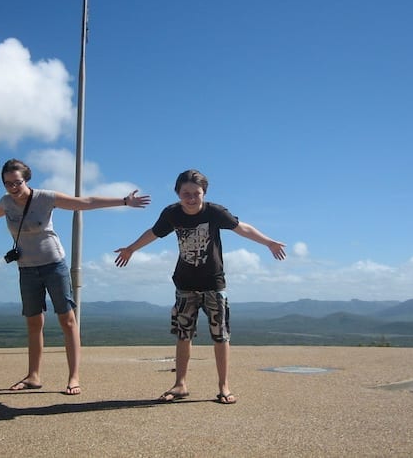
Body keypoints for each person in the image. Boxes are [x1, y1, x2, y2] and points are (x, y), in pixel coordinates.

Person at [0, 158, 150, 395]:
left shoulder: (44, 197)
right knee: (34, 322)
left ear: (27, 180)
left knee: (67, 320)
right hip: (26, 268)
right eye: (8, 184)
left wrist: (125, 201)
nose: (13, 188)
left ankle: (74, 377)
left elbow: (84, 202)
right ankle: (33, 376)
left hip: (54, 265)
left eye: (17, 183)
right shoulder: (6, 202)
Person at [114, 169, 285, 404]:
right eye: (186, 194)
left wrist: (269, 243)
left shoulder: (214, 212)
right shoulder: (172, 214)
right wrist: (131, 248)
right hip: (185, 284)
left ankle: (224, 387)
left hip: (213, 283)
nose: (192, 198)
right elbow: (153, 233)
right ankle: (180, 384)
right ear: (178, 193)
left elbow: (241, 227)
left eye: (196, 193)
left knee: (220, 336)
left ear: (204, 193)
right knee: (183, 335)